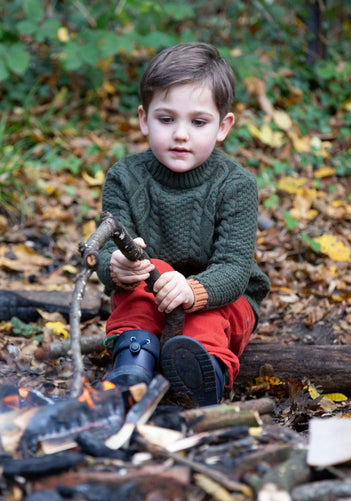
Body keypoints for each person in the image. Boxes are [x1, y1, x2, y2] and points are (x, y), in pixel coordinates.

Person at [96, 42, 270, 407]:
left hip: (221, 300)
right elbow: (110, 246)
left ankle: (204, 373)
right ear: (144, 119)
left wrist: (193, 290)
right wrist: (116, 265)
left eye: (198, 122)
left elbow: (235, 269)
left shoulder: (235, 185)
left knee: (205, 318)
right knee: (146, 271)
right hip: (152, 300)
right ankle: (134, 362)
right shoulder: (124, 178)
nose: (180, 134)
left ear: (223, 127)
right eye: (166, 119)